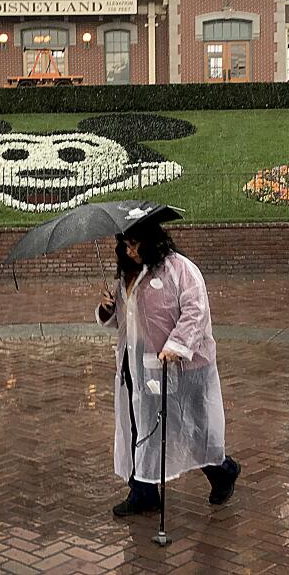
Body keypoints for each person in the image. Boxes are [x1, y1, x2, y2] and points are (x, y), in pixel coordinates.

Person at [96, 219, 240, 517]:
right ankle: (143, 491)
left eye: (135, 244)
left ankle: (223, 471)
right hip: (136, 365)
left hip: (180, 367)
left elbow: (195, 311)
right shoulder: (127, 275)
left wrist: (175, 347)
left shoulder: (180, 269)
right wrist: (109, 310)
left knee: (189, 426)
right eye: (125, 245)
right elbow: (126, 321)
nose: (130, 250)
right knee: (139, 426)